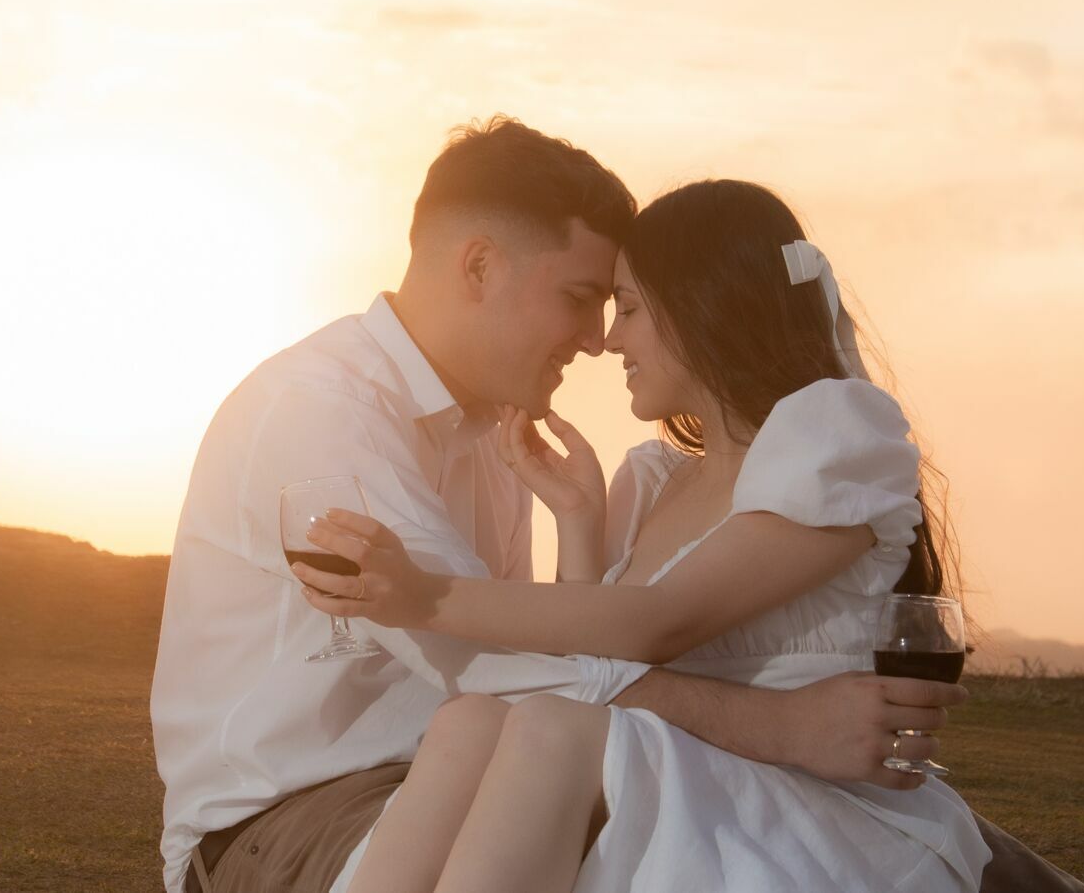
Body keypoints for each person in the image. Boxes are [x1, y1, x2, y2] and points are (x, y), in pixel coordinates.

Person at [150, 120, 976, 893]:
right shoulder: (321, 411)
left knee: (514, 746)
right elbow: (486, 657)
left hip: (464, 760)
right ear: (479, 267)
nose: (596, 339)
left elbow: (559, 649)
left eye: (621, 306)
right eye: (585, 296)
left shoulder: (502, 441)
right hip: (302, 808)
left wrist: (574, 530)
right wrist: (780, 728)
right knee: (521, 741)